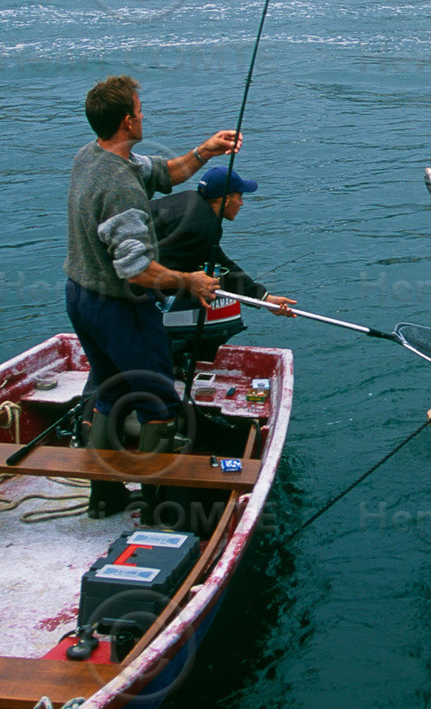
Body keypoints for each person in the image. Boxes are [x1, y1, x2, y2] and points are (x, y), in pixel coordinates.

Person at [64, 76, 239, 518]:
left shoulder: (91, 156)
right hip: (119, 307)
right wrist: (189, 281)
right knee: (158, 404)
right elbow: (136, 269)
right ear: (128, 121)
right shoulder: (120, 187)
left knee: (109, 392)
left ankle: (105, 496)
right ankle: (158, 508)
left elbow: (161, 173)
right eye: (140, 110)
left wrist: (204, 152)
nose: (144, 115)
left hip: (80, 296)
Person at [150, 166, 296, 319]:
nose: (241, 203)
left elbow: (221, 263)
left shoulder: (189, 202)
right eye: (239, 197)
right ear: (226, 199)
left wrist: (264, 298)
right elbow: (162, 271)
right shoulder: (201, 224)